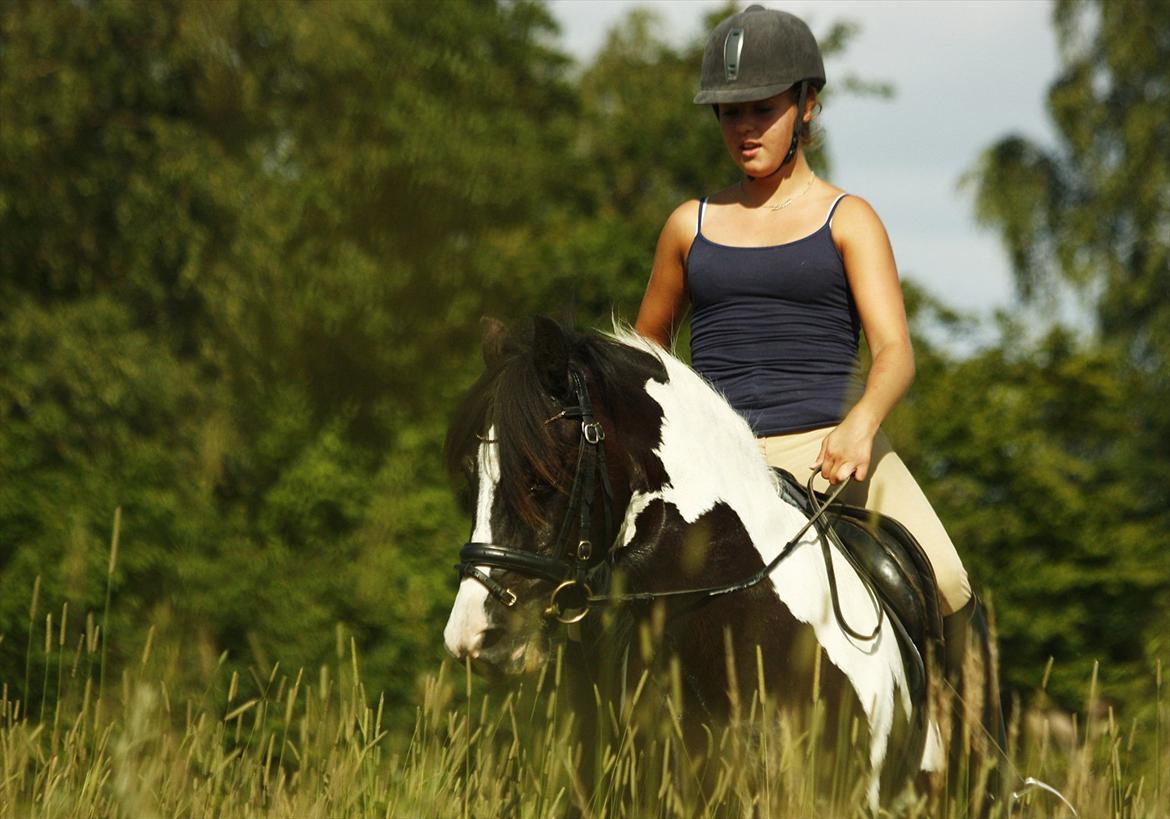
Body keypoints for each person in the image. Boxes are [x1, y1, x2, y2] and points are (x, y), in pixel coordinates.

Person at [633, 4, 986, 675]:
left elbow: (894, 352)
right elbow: (645, 359)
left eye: (763, 108)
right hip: (716, 462)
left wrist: (861, 425)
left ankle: (975, 756)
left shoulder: (848, 219)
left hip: (830, 450)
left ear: (808, 107)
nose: (745, 127)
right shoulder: (688, 226)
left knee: (947, 580)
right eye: (731, 111)